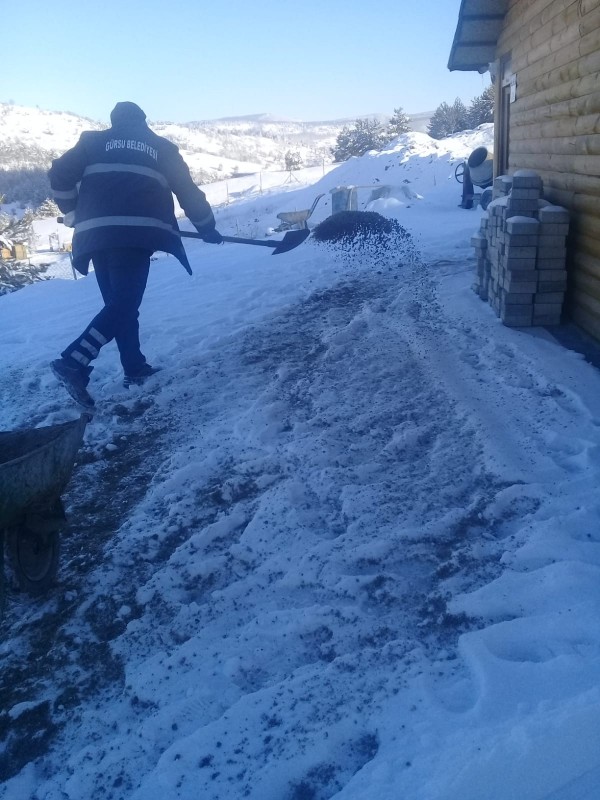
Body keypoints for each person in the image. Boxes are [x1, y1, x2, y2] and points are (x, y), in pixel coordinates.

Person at [48, 101, 223, 410]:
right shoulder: (161, 148)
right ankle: (74, 361)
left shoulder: (92, 142)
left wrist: (72, 209)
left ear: (114, 122)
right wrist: (207, 226)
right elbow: (188, 192)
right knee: (124, 304)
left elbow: (59, 175)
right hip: (133, 235)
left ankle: (135, 368)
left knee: (119, 305)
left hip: (96, 236)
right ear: (143, 122)